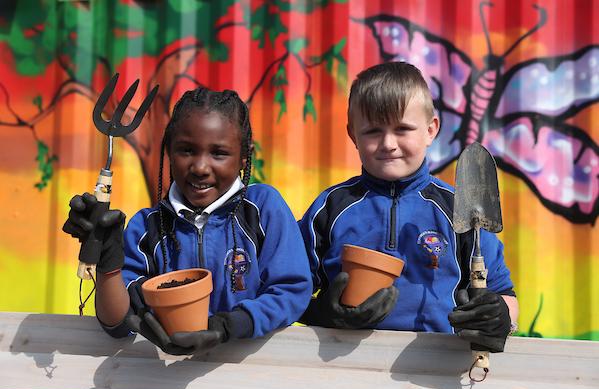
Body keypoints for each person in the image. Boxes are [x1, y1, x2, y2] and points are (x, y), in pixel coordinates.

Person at [63, 87, 313, 355]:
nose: (200, 167)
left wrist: (227, 326)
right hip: (163, 384)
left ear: (243, 156)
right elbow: (117, 323)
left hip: (249, 378)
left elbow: (291, 290)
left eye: (218, 153)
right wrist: (107, 257)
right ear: (169, 151)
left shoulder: (262, 209)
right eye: (186, 150)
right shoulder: (146, 228)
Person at [298, 62, 518, 353]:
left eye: (402, 129)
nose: (388, 143)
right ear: (353, 135)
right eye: (373, 131)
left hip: (438, 373)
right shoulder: (329, 208)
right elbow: (287, 290)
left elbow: (505, 295)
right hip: (341, 367)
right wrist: (318, 312)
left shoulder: (459, 208)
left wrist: (499, 318)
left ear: (430, 130)